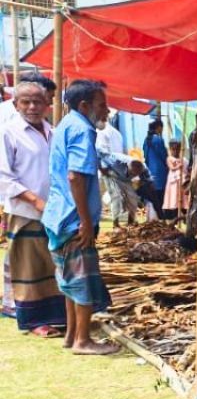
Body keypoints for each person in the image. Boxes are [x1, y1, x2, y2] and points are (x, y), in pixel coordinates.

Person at [42, 79, 117, 355]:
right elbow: (75, 176)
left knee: (70, 280)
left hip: (57, 215)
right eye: (102, 105)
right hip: (72, 218)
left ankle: (72, 334)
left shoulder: (65, 125)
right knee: (82, 279)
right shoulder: (83, 129)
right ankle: (83, 341)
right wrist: (86, 222)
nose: (106, 111)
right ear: (84, 105)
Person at [0, 78, 65, 335]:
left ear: (48, 104)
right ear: (15, 104)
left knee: (51, 264)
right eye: (25, 102)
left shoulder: (53, 132)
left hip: (54, 212)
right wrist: (36, 201)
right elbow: (4, 177)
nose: (32, 107)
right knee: (28, 265)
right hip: (25, 211)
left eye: (37, 101)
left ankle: (56, 314)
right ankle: (34, 320)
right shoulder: (8, 133)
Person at [161, 140, 188, 221]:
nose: (175, 151)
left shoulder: (183, 159)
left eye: (177, 149)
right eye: (173, 149)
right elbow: (172, 168)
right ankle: (173, 216)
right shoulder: (169, 159)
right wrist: (178, 166)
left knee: (183, 198)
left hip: (181, 181)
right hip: (173, 181)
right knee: (174, 198)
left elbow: (186, 168)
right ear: (170, 149)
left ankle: (185, 215)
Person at [143, 119, 168, 195]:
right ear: (159, 127)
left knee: (154, 195)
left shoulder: (146, 140)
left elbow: (145, 156)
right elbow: (164, 156)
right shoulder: (158, 139)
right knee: (161, 195)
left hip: (150, 171)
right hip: (160, 172)